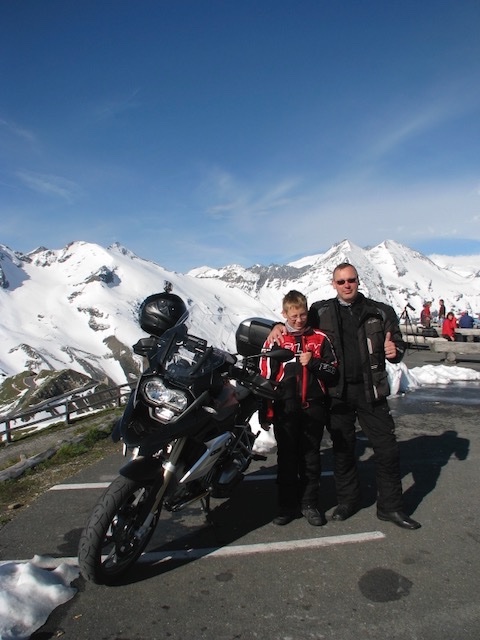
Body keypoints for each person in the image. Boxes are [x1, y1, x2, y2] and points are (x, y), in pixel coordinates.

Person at [267, 263, 421, 530]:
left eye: (351, 280)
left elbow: (397, 341)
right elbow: (297, 322)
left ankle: (391, 507)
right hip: (337, 393)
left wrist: (396, 349)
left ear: (358, 281)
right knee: (343, 450)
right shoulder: (321, 311)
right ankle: (349, 501)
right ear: (333, 284)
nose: (347, 285)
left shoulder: (380, 311)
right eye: (341, 281)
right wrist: (277, 326)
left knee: (387, 450)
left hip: (371, 390)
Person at [259, 290, 338, 526]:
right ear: (284, 314)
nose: (298, 320)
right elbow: (265, 377)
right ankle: (286, 506)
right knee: (286, 459)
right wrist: (266, 409)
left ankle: (310, 504)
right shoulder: (276, 339)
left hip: (313, 407)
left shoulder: (321, 338)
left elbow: (334, 371)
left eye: (302, 315)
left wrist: (313, 363)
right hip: (286, 407)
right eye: (293, 316)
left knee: (311, 458)